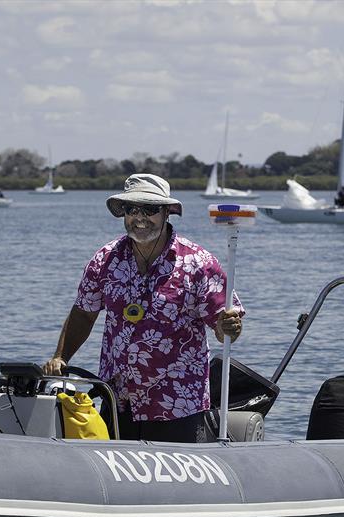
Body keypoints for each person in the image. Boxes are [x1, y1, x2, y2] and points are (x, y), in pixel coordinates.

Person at [43, 173, 243, 443]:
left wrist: (227, 326)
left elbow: (222, 326)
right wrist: (61, 357)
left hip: (177, 406)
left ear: (167, 212)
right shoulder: (105, 259)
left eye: (149, 209)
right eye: (131, 209)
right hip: (119, 403)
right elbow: (84, 312)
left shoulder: (199, 263)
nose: (140, 217)